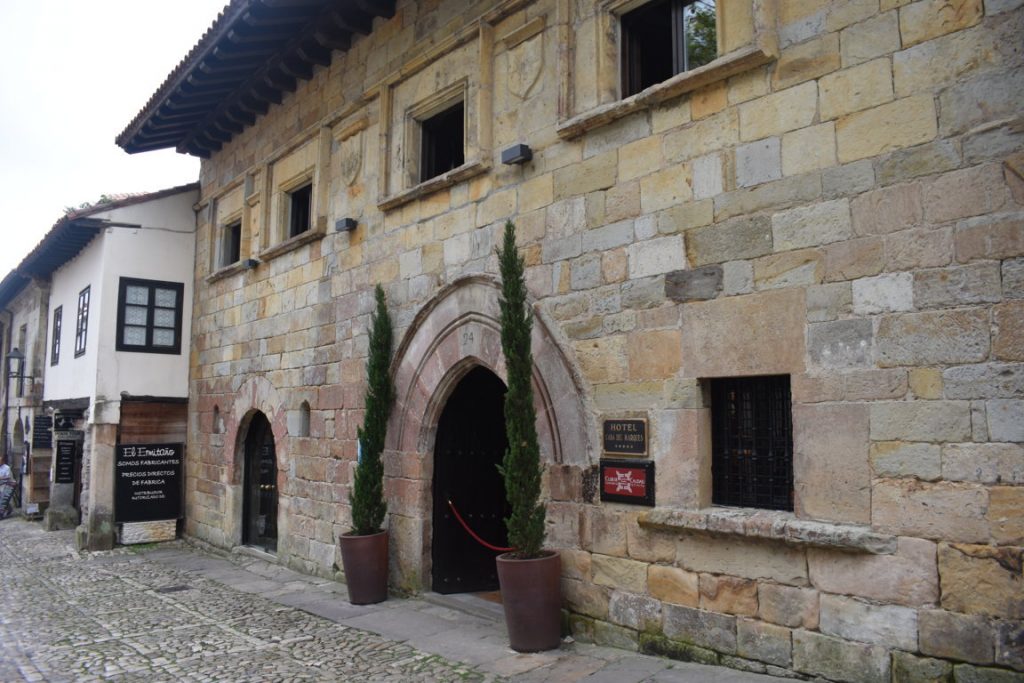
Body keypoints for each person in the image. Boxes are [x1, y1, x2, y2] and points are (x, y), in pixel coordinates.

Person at [0, 454, 15, 519]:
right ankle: (9, 508)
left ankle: (1, 513)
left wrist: (1, 478)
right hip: (2, 484)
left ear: (3, 461)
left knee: (4, 498)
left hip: (9, 484)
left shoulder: (7, 467)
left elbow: (8, 477)